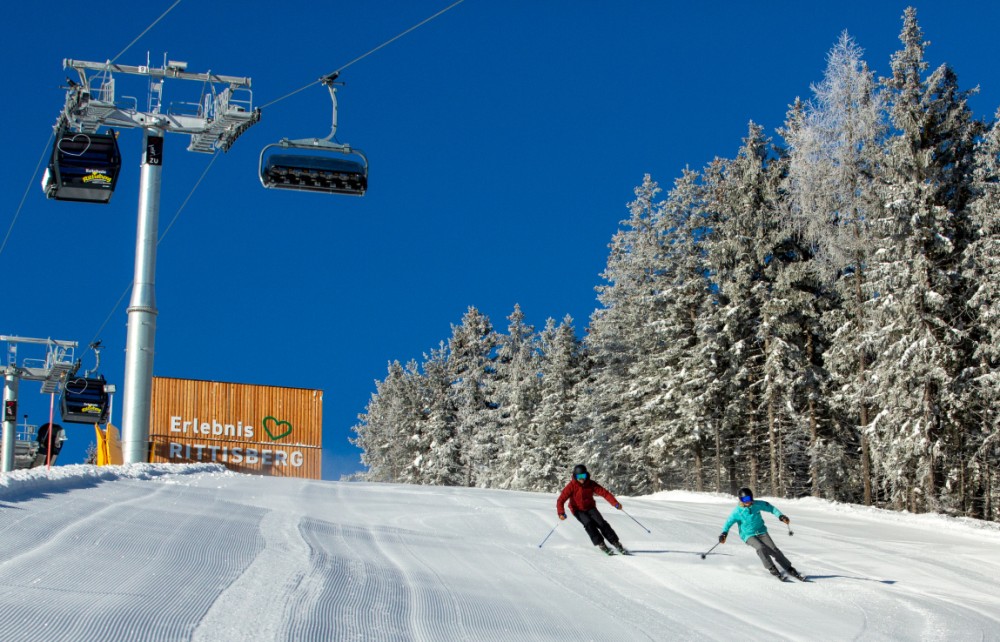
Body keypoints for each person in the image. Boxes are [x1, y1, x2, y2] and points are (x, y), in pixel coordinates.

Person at [718, 487, 805, 581]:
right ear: (740, 500)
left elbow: (771, 508)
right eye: (744, 499)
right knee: (760, 547)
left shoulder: (757, 504)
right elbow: (728, 523)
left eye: (749, 498)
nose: (747, 501)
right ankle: (772, 568)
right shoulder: (737, 512)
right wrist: (724, 533)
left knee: (774, 550)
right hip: (748, 535)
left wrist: (780, 516)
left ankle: (789, 568)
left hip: (761, 531)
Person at [556, 464, 628, 555]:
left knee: (601, 523)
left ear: (586, 475)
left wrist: (615, 503)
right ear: (575, 476)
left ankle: (616, 543)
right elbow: (560, 500)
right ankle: (601, 544)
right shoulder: (571, 486)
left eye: (583, 476)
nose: (581, 479)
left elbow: (604, 493)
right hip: (577, 510)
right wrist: (561, 513)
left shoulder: (591, 484)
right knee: (589, 524)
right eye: (579, 476)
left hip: (590, 507)